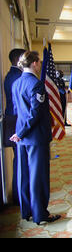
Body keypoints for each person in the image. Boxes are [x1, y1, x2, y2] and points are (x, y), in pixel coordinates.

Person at [9, 51, 61, 225]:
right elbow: (35, 113)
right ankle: (40, 215)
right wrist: (22, 133)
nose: (40, 65)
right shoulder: (36, 84)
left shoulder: (16, 83)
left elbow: (18, 112)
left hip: (21, 137)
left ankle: (27, 212)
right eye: (39, 62)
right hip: (35, 137)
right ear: (34, 63)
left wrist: (19, 133)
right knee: (38, 177)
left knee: (24, 175)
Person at [3, 48, 26, 205]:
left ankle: (21, 193)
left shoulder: (12, 75)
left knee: (21, 159)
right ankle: (20, 196)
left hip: (15, 120)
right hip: (17, 122)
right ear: (19, 60)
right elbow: (19, 105)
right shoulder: (16, 77)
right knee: (20, 160)